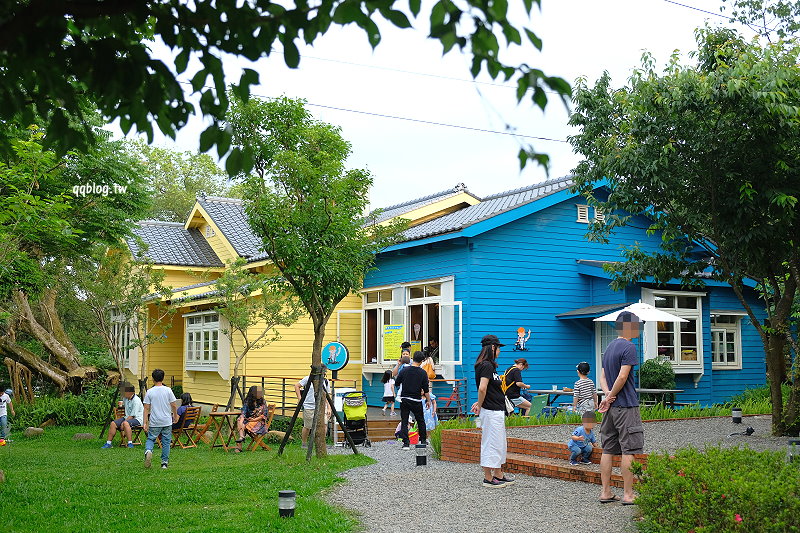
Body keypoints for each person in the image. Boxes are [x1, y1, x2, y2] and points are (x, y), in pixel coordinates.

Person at [598, 311, 644, 505]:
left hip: (611, 409)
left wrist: (607, 396)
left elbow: (602, 377)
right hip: (626, 406)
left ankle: (606, 492)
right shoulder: (629, 347)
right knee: (628, 450)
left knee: (607, 449)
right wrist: (611, 397)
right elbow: (623, 377)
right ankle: (628, 494)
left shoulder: (609, 348)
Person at [471, 334, 515, 488]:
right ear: (492, 347)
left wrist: (479, 402)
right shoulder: (487, 366)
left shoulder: (486, 366)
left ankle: (498, 473)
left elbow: (485, 389)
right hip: (491, 411)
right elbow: (482, 388)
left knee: (498, 443)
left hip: (494, 409)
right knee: (491, 442)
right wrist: (481, 404)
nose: (500, 351)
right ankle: (488, 477)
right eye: (498, 348)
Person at [394, 351, 431, 451]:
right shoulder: (423, 373)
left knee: (404, 420)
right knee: (420, 420)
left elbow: (397, 382)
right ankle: (423, 441)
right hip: (416, 400)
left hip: (405, 399)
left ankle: (406, 443)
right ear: (422, 361)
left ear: (413, 358)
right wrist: (428, 400)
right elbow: (426, 390)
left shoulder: (404, 370)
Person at [143, 369, 178, 469]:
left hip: (155, 421)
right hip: (166, 421)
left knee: (151, 438)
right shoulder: (168, 390)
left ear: (153, 379)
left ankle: (149, 450)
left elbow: (146, 408)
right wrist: (175, 415)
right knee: (166, 441)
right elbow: (174, 405)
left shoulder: (150, 392)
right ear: (163, 378)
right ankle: (164, 463)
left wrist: (145, 422)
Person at [294, 374, 331, 449]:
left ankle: (321, 443)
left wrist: (329, 408)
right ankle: (304, 443)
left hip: (322, 405)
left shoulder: (325, 381)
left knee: (324, 424)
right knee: (308, 426)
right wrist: (300, 398)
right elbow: (297, 386)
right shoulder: (308, 379)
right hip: (309, 406)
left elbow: (327, 395)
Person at [102, 384, 143, 448]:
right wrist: (120, 405)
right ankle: (108, 443)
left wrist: (122, 423)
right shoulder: (125, 398)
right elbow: (125, 407)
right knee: (113, 423)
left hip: (138, 419)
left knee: (125, 423)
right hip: (127, 417)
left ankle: (130, 443)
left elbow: (132, 416)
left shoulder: (136, 401)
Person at [235, 386, 267, 452]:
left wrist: (254, 420)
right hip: (248, 420)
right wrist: (241, 420)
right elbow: (243, 413)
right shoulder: (247, 401)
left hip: (259, 422)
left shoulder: (262, 401)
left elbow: (264, 415)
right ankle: (241, 437)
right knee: (240, 421)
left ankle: (239, 446)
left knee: (244, 425)